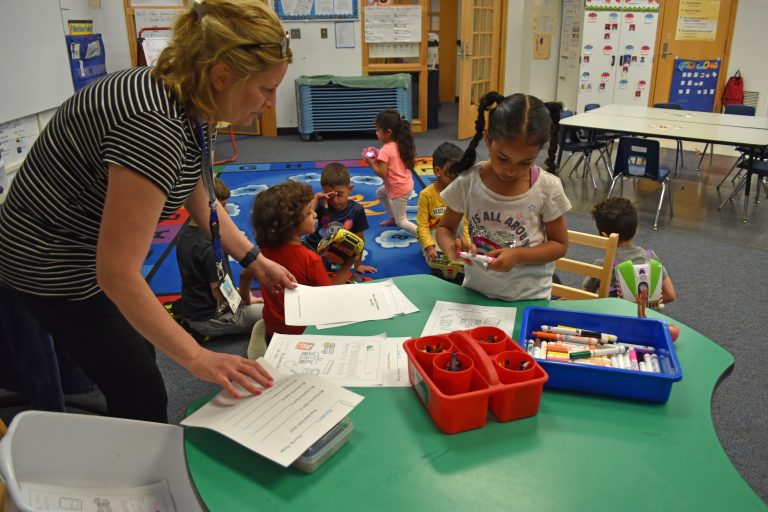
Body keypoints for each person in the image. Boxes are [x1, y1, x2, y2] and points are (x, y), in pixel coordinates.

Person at [0, 0, 296, 422]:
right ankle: (133, 479)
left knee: (137, 351)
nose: (270, 103)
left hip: (86, 247)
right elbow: (116, 274)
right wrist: (198, 358)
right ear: (222, 76)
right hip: (49, 260)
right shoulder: (152, 124)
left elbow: (201, 197)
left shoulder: (189, 99)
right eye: (266, 89)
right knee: (141, 386)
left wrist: (255, 260)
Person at [435, 92, 571, 301]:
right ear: (488, 139)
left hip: (529, 297)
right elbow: (444, 229)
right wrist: (451, 248)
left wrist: (519, 255)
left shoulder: (547, 187)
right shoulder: (468, 182)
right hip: (476, 293)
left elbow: (559, 245)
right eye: (503, 158)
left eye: (525, 162)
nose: (511, 170)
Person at [244, 181, 354, 359]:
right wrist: (347, 266)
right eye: (309, 213)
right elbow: (330, 299)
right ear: (291, 224)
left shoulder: (261, 256)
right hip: (304, 337)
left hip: (274, 331)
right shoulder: (310, 260)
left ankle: (264, 342)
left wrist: (245, 298)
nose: (315, 214)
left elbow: (244, 275)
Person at [176, 177, 264, 338]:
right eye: (222, 207)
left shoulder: (186, 232)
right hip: (211, 319)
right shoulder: (210, 246)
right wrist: (245, 298)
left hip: (194, 308)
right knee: (274, 313)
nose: (228, 212)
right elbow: (221, 297)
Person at [583, 197, 676, 306]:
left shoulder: (602, 265)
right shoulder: (651, 257)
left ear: (603, 236)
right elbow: (670, 295)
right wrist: (642, 304)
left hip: (614, 320)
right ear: (636, 230)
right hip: (645, 320)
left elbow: (585, 298)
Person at [303, 162, 377, 274]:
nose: (335, 200)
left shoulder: (357, 210)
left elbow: (359, 240)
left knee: (334, 271)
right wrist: (316, 198)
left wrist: (358, 265)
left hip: (336, 253)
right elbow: (306, 215)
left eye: (339, 194)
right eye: (331, 196)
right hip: (314, 248)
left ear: (350, 189)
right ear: (324, 191)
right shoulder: (321, 205)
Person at [363, 109, 417, 236]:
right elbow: (392, 160)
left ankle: (424, 235)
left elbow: (382, 173)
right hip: (405, 184)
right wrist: (377, 154)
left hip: (399, 189)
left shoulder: (385, 150)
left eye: (378, 130)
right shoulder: (401, 143)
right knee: (380, 193)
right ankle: (393, 217)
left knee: (402, 221)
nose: (376, 133)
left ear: (388, 132)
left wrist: (371, 163)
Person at [416, 142, 470, 262]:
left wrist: (467, 244)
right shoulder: (426, 195)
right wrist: (429, 247)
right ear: (437, 171)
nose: (457, 179)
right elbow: (422, 226)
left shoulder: (461, 193)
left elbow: (466, 224)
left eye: (459, 174)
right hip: (433, 237)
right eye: (452, 175)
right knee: (437, 260)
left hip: (454, 233)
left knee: (461, 224)